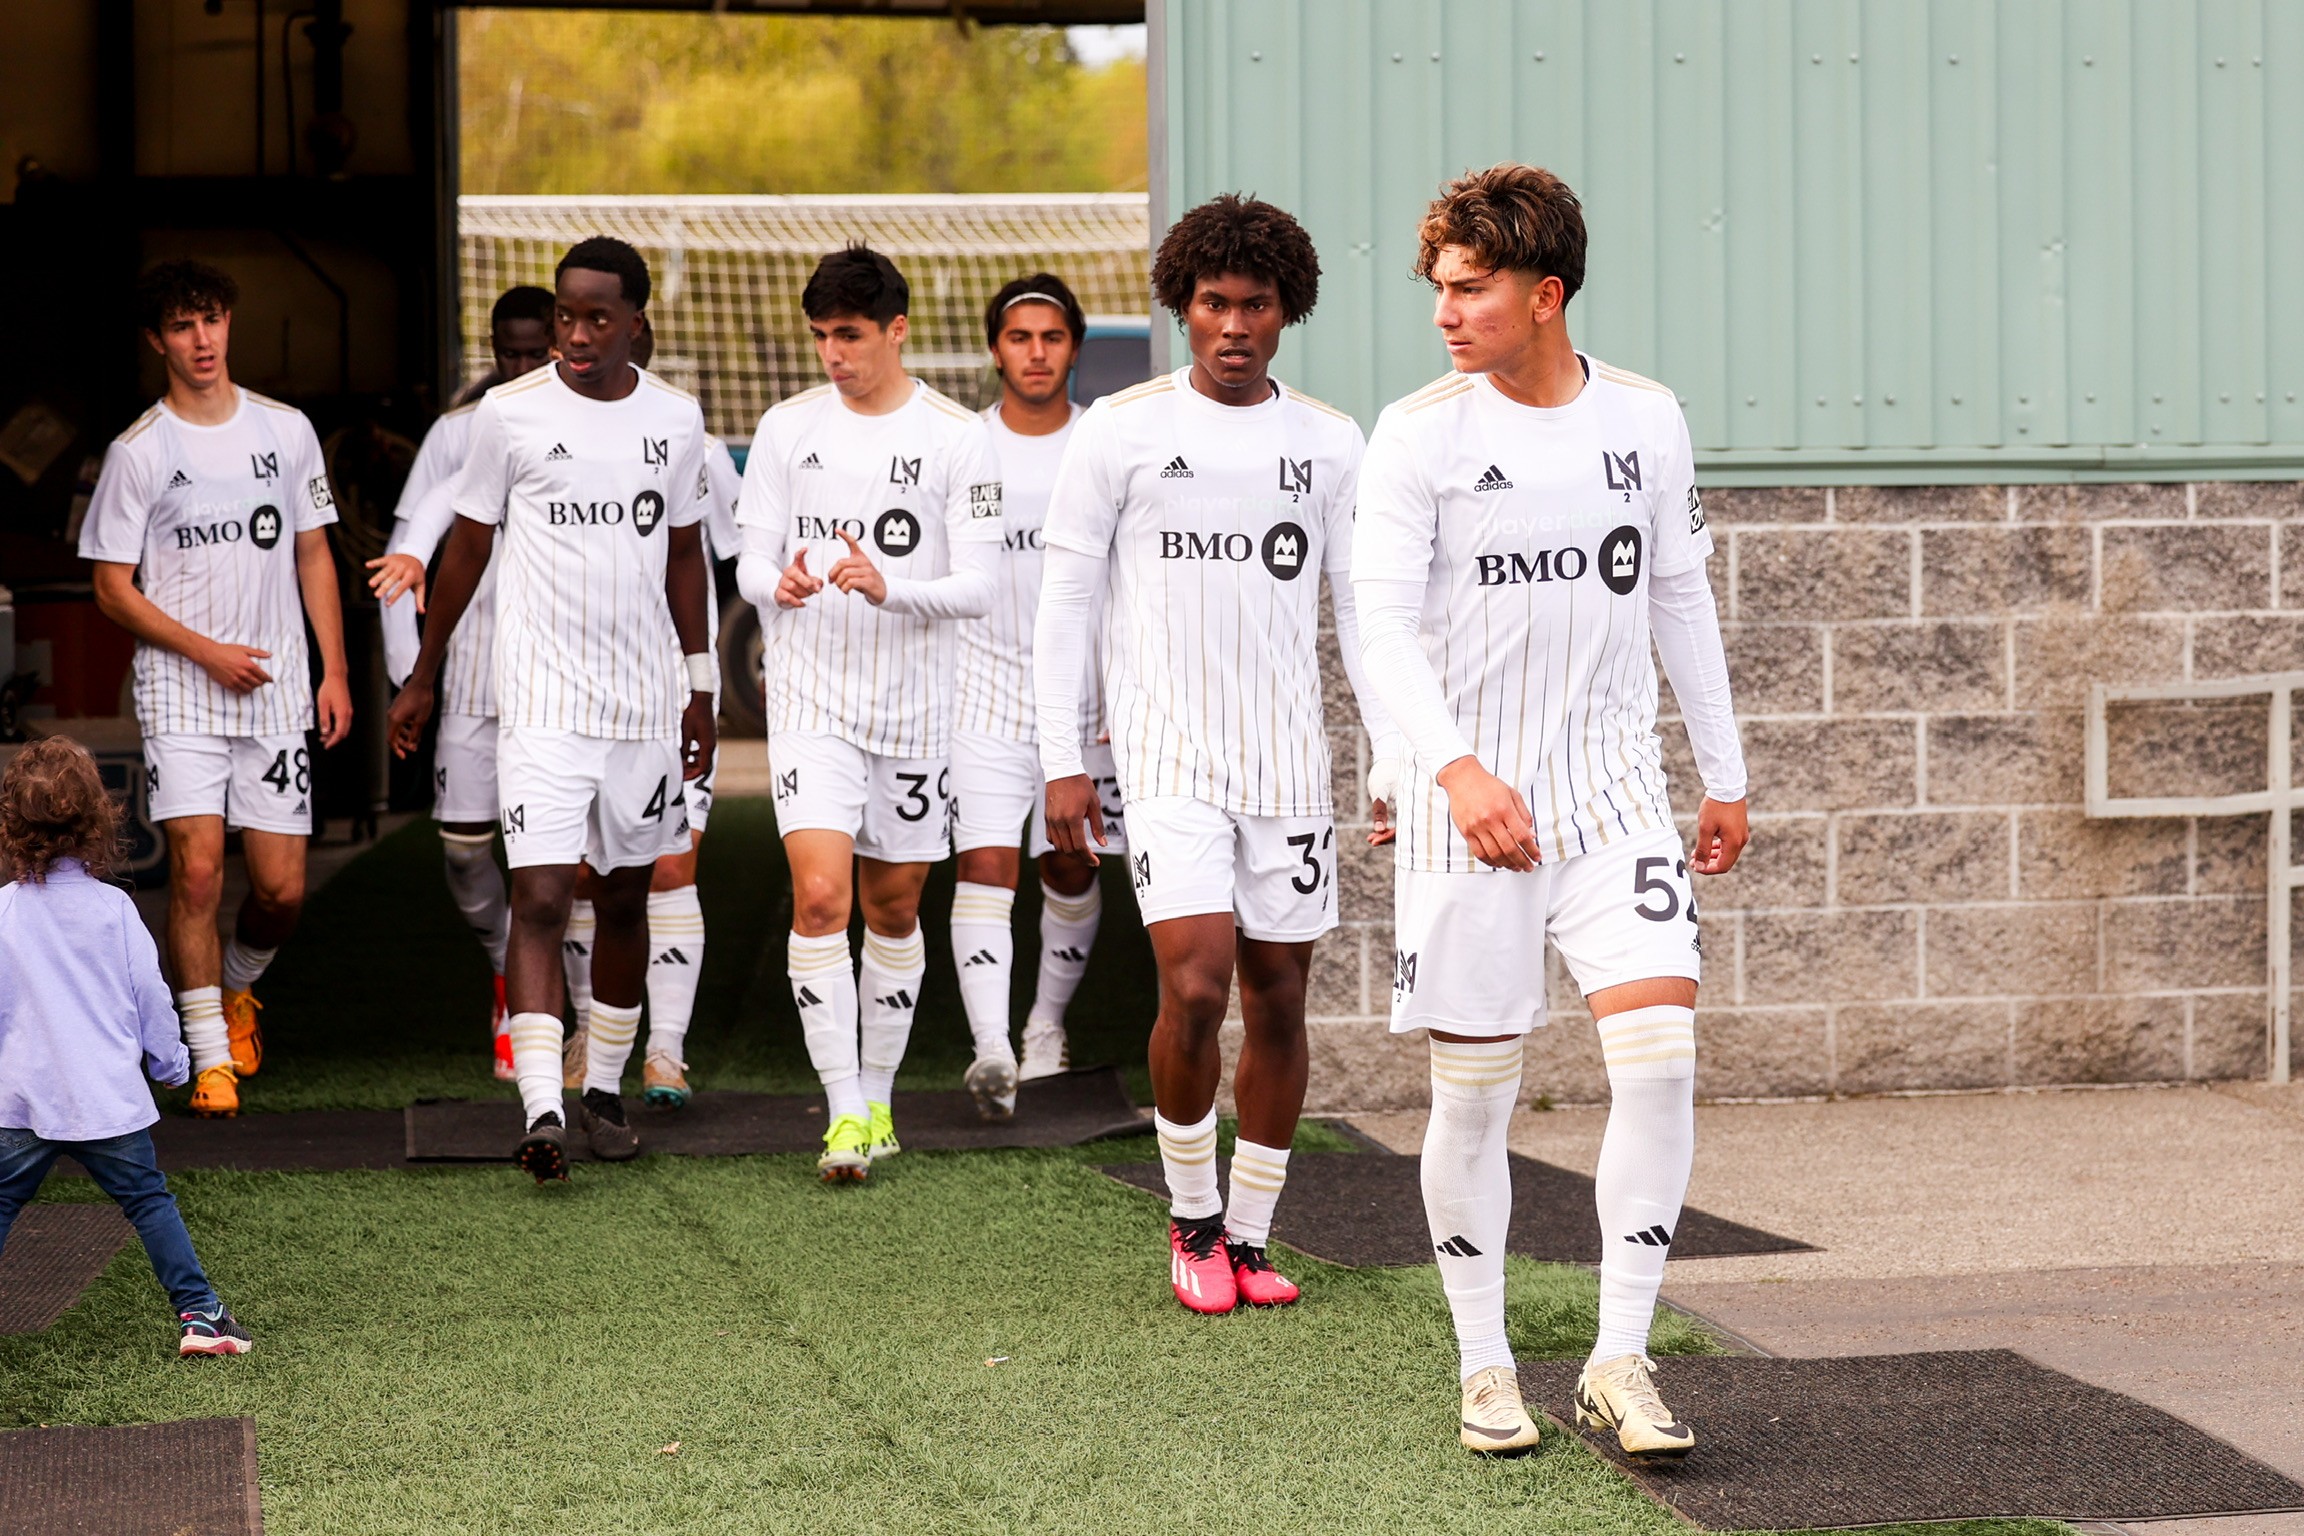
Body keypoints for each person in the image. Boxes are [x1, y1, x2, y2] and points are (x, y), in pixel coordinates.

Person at [1352, 163, 1750, 1458]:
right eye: (1440, 289)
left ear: (1545, 293)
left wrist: (1727, 771)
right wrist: (1454, 772)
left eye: (1469, 289)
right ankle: (1484, 1367)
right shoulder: (1418, 435)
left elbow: (1680, 597)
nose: (1444, 313)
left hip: (1614, 801)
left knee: (1664, 1059)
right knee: (1474, 1099)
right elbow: (1383, 630)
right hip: (1473, 814)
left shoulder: (1645, 420)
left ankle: (1620, 1357)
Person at [1033, 195, 1399, 1315]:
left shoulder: (1331, 442)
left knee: (1280, 996)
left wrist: (1390, 760)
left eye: (1255, 305)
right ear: (1181, 308)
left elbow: (1368, 613)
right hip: (1168, 757)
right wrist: (1062, 757)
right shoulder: (1120, 431)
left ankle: (1249, 1235)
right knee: (1193, 986)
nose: (1233, 325)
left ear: (1288, 311)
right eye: (1212, 304)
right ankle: (1189, 1222)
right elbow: (1063, 603)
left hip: (1288, 763)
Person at [387, 236, 717, 1180]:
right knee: (539, 895)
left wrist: (699, 688)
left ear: (636, 323)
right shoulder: (509, 415)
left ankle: (604, 1090)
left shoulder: (677, 420)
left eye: (596, 317)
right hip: (540, 704)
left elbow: (687, 556)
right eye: (566, 315)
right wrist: (425, 672)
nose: (574, 333)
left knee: (622, 897)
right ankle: (541, 1109)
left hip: (648, 704)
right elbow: (466, 550)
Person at [733, 246, 1001, 1180]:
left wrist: (892, 590)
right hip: (811, 699)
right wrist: (785, 583)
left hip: (920, 709)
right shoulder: (784, 428)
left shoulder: (961, 437)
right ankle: (843, 1108)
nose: (832, 354)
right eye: (820, 337)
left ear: (896, 329)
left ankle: (880, 1097)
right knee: (819, 898)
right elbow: (748, 562)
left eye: (848, 335)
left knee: (893, 912)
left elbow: (980, 585)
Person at [80, 259, 353, 1119]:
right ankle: (208, 1061)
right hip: (182, 689)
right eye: (182, 327)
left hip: (274, 687)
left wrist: (333, 669)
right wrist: (206, 653)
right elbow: (111, 587)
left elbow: (313, 549)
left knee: (280, 891)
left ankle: (237, 990)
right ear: (157, 341)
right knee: (197, 874)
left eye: (212, 321)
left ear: (229, 322)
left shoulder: (288, 431)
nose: (201, 340)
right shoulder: (139, 451)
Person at [0, 737, 252, 1356]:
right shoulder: (114, 910)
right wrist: (173, 1064)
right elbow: (152, 998)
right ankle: (200, 1315)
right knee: (148, 1201)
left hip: (22, 1099)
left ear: (11, 826)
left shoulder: (4, 910)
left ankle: (201, 1312)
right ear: (99, 823)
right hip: (106, 1101)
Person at [365, 284, 557, 1081]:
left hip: (558, 680)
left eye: (532, 350)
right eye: (504, 351)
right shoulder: (456, 435)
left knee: (564, 861)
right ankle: (510, 969)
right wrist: (412, 675)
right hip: (472, 674)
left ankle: (559, 1021)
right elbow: (405, 558)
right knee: (465, 851)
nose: (517, 366)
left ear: (562, 342)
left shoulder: (588, 425)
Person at [948, 273, 1124, 1119]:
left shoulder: (1103, 442)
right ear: (995, 350)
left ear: (1074, 348)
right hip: (982, 693)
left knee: (1068, 860)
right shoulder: (970, 448)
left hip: (1083, 703)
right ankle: (991, 1054)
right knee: (985, 866)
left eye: (1051, 337)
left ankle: (1044, 1028)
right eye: (1020, 337)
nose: (1036, 352)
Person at [557, 315, 742, 1110]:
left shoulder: (689, 441)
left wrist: (706, 677)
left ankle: (665, 1051)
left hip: (669, 685)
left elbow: (732, 555)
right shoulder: (541, 433)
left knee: (668, 864)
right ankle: (588, 1034)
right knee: (575, 874)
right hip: (566, 688)